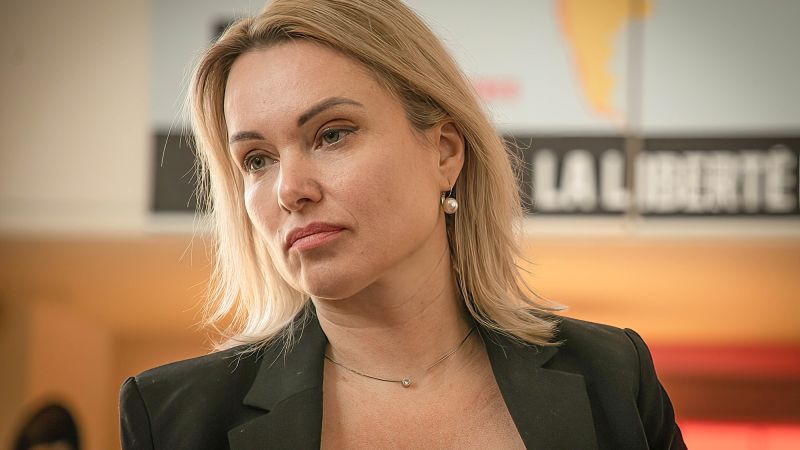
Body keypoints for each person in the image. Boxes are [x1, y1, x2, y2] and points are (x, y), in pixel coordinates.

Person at [120, 0, 686, 448]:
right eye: (256, 160)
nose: (290, 190)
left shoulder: (613, 375)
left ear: (444, 151)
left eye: (332, 134)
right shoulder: (174, 417)